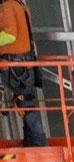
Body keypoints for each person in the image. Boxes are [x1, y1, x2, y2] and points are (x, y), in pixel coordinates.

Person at [0, 0, 46, 146]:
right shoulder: (20, 6)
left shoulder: (7, 7)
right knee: (25, 101)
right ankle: (34, 140)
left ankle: (37, 141)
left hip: (15, 64)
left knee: (25, 102)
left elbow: (10, 35)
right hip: (24, 62)